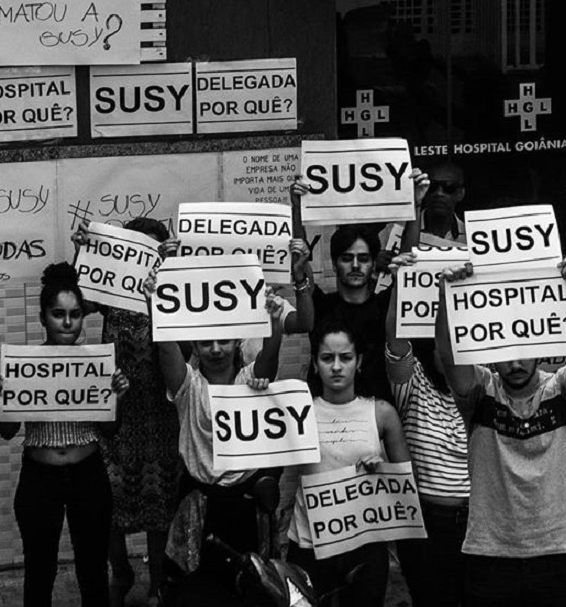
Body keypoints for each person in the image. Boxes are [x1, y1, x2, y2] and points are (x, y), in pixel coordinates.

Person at [435, 254, 566, 607]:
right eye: (506, 354)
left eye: (524, 352)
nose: (515, 363)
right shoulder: (480, 392)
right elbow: (449, 359)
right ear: (491, 355)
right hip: (490, 554)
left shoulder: (561, 392)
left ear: (541, 349)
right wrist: (448, 298)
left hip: (557, 552)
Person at [143, 270, 287, 596]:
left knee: (251, 589)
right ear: (195, 344)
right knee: (195, 591)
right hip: (199, 502)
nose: (216, 348)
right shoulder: (188, 385)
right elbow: (166, 352)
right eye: (207, 342)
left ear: (237, 340)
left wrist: (275, 326)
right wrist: (155, 308)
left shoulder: (252, 380)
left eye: (223, 340)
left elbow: (269, 360)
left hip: (246, 502)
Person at [0, 262, 130, 607]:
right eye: (59, 314)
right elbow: (8, 432)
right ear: (43, 317)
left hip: (88, 474)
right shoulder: (24, 364)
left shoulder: (98, 364)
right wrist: (2, 397)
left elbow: (110, 431)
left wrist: (115, 398)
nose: (68, 322)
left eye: (75, 314)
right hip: (39, 477)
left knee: (92, 571)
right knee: (39, 570)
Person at [73, 217, 182, 607]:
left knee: (158, 501)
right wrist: (83, 251)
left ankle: (156, 582)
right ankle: (121, 571)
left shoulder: (175, 295)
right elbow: (80, 301)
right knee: (108, 502)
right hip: (115, 413)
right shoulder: (110, 293)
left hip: (159, 415)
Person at [287, 318, 411, 606]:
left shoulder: (381, 413)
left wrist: (383, 472)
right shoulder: (297, 414)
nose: (337, 366)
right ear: (315, 364)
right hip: (309, 544)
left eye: (346, 357)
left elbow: (407, 483)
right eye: (327, 358)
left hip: (365, 546)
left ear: (360, 361)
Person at [291, 170, 428, 404]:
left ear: (374, 264)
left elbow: (408, 264)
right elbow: (300, 261)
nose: (355, 265)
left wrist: (414, 206)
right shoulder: (320, 306)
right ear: (334, 264)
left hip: (379, 421)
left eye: (363, 259)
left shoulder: (387, 306)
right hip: (325, 419)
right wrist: (297, 207)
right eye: (347, 258)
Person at [385, 259, 472, 607]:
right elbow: (394, 340)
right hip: (424, 525)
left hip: (476, 526)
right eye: (443, 340)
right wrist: (398, 284)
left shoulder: (484, 388)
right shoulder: (414, 385)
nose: (451, 348)